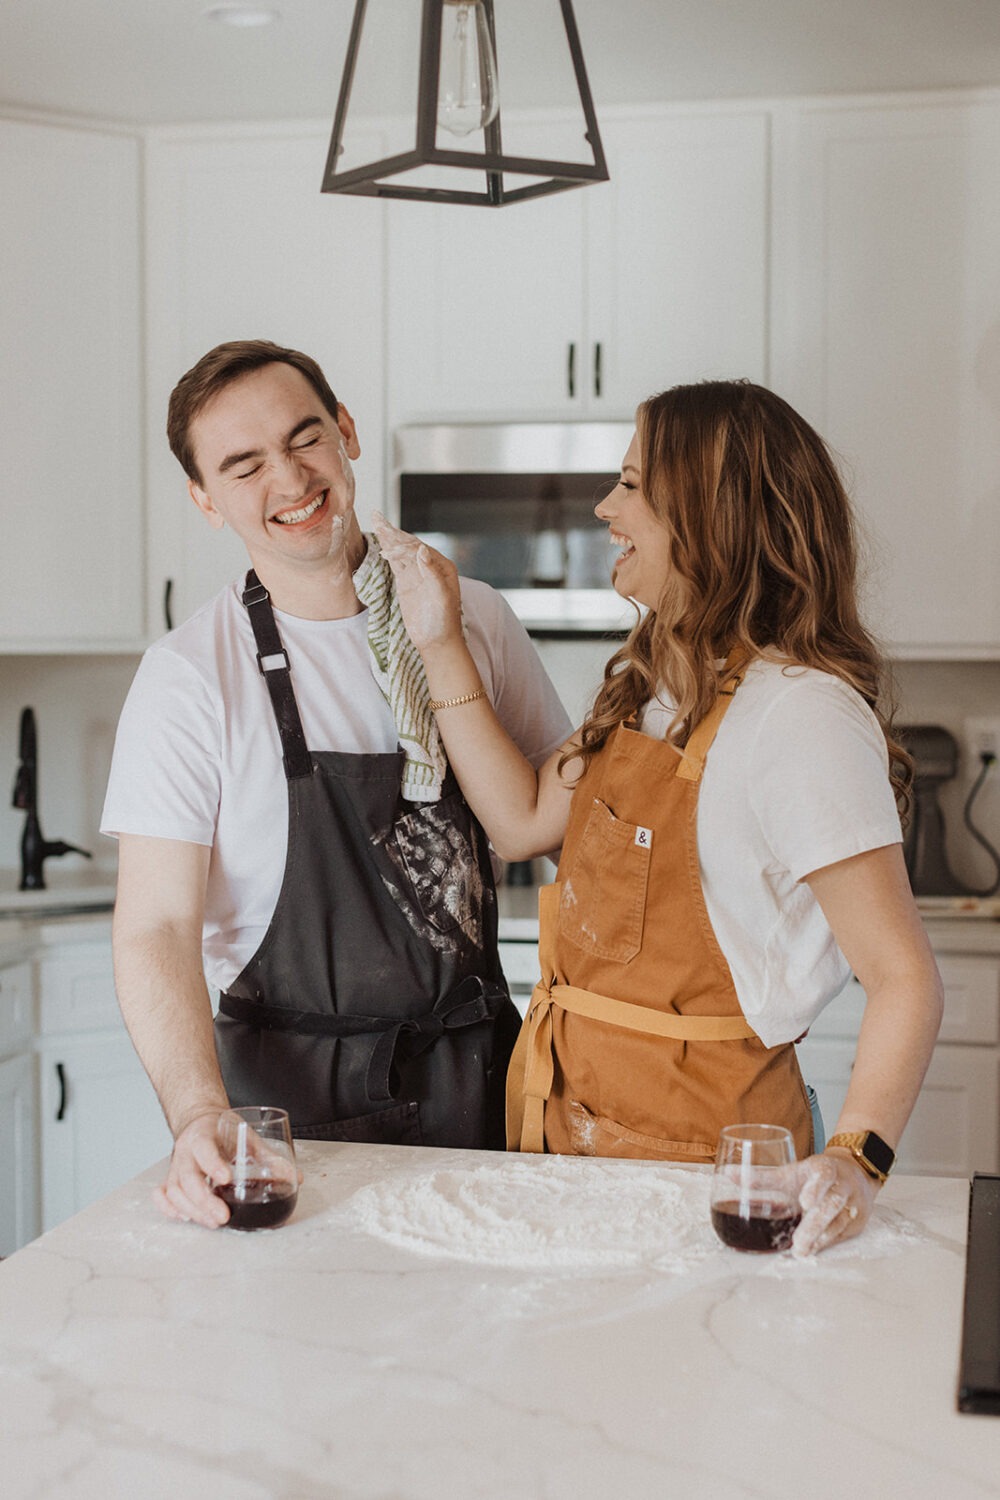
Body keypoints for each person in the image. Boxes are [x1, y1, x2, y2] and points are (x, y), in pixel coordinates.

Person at [373, 378, 944, 1257]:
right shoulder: (651, 686)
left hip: (710, 1164)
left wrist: (854, 1159)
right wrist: (440, 637)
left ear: (712, 511)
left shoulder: (802, 715)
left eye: (633, 484)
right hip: (571, 1138)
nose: (605, 506)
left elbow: (904, 978)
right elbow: (521, 820)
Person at [102, 339, 571, 1229]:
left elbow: (554, 824)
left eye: (304, 437)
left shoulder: (475, 619)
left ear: (346, 432)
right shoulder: (191, 677)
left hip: (485, 1090)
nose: (290, 478)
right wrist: (199, 1112)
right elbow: (156, 926)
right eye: (243, 466)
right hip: (294, 1126)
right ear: (205, 499)